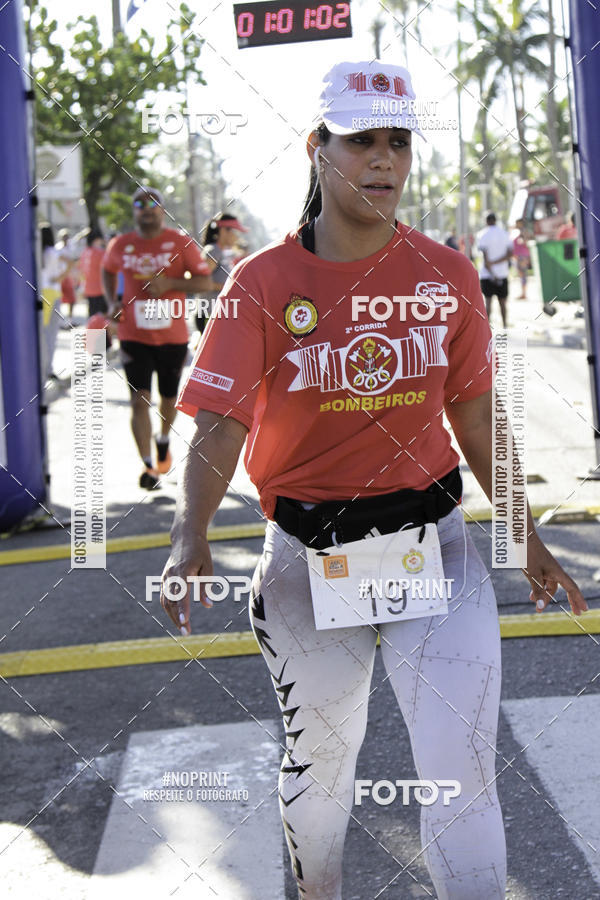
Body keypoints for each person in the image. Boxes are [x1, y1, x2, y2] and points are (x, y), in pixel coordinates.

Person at [160, 61, 586, 900]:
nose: (384, 160)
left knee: (463, 778)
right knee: (322, 775)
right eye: (362, 141)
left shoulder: (448, 274)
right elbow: (221, 424)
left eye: (398, 141)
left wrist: (526, 538)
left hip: (440, 551)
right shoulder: (262, 285)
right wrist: (189, 534)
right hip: (306, 563)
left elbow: (473, 421)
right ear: (318, 149)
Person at [102, 186, 211, 489]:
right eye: (140, 203)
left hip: (172, 336)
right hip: (132, 334)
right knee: (139, 400)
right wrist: (112, 301)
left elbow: (204, 282)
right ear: (133, 210)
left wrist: (171, 284)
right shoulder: (121, 244)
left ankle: (163, 439)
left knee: (168, 398)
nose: (146, 208)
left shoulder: (179, 242)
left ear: (162, 210)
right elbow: (107, 271)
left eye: (153, 203)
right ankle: (149, 468)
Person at [195, 213, 248, 333]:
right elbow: (200, 282)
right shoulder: (214, 251)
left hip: (217, 314)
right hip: (208, 315)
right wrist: (231, 287)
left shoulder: (221, 251)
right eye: (236, 232)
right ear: (224, 231)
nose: (237, 237)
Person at [478, 212, 513, 328]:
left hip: (487, 275)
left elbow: (485, 259)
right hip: (502, 273)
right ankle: (505, 326)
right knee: (503, 302)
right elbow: (509, 254)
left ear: (487, 221)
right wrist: (497, 265)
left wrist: (492, 268)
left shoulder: (483, 235)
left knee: (488, 302)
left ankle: (486, 328)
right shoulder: (504, 234)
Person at [80, 229, 107, 317]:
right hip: (101, 289)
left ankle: (93, 331)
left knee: (93, 317)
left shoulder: (84, 252)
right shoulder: (101, 253)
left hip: (88, 289)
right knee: (103, 320)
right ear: (97, 239)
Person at [511, 218, 531, 300]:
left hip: (522, 256)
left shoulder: (524, 232)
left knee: (523, 275)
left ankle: (524, 293)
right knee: (521, 275)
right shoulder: (517, 232)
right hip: (519, 256)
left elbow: (525, 242)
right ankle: (523, 293)